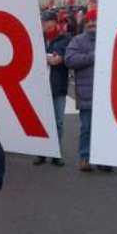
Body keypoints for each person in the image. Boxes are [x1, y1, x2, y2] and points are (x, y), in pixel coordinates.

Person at [64, 9, 112, 173]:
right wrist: (92, 56)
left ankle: (104, 158)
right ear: (84, 24)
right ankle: (85, 156)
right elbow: (69, 60)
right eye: (89, 22)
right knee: (87, 128)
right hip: (87, 93)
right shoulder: (77, 41)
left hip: (107, 93)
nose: (92, 24)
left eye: (95, 21)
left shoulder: (109, 39)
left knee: (106, 128)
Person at [34, 10, 71, 167]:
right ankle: (42, 152)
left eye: (47, 21)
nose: (44, 24)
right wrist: (50, 58)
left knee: (58, 122)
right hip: (40, 86)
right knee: (42, 121)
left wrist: (57, 59)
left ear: (54, 22)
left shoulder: (65, 39)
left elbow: (62, 60)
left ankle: (56, 153)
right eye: (43, 21)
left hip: (58, 85)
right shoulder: (37, 38)